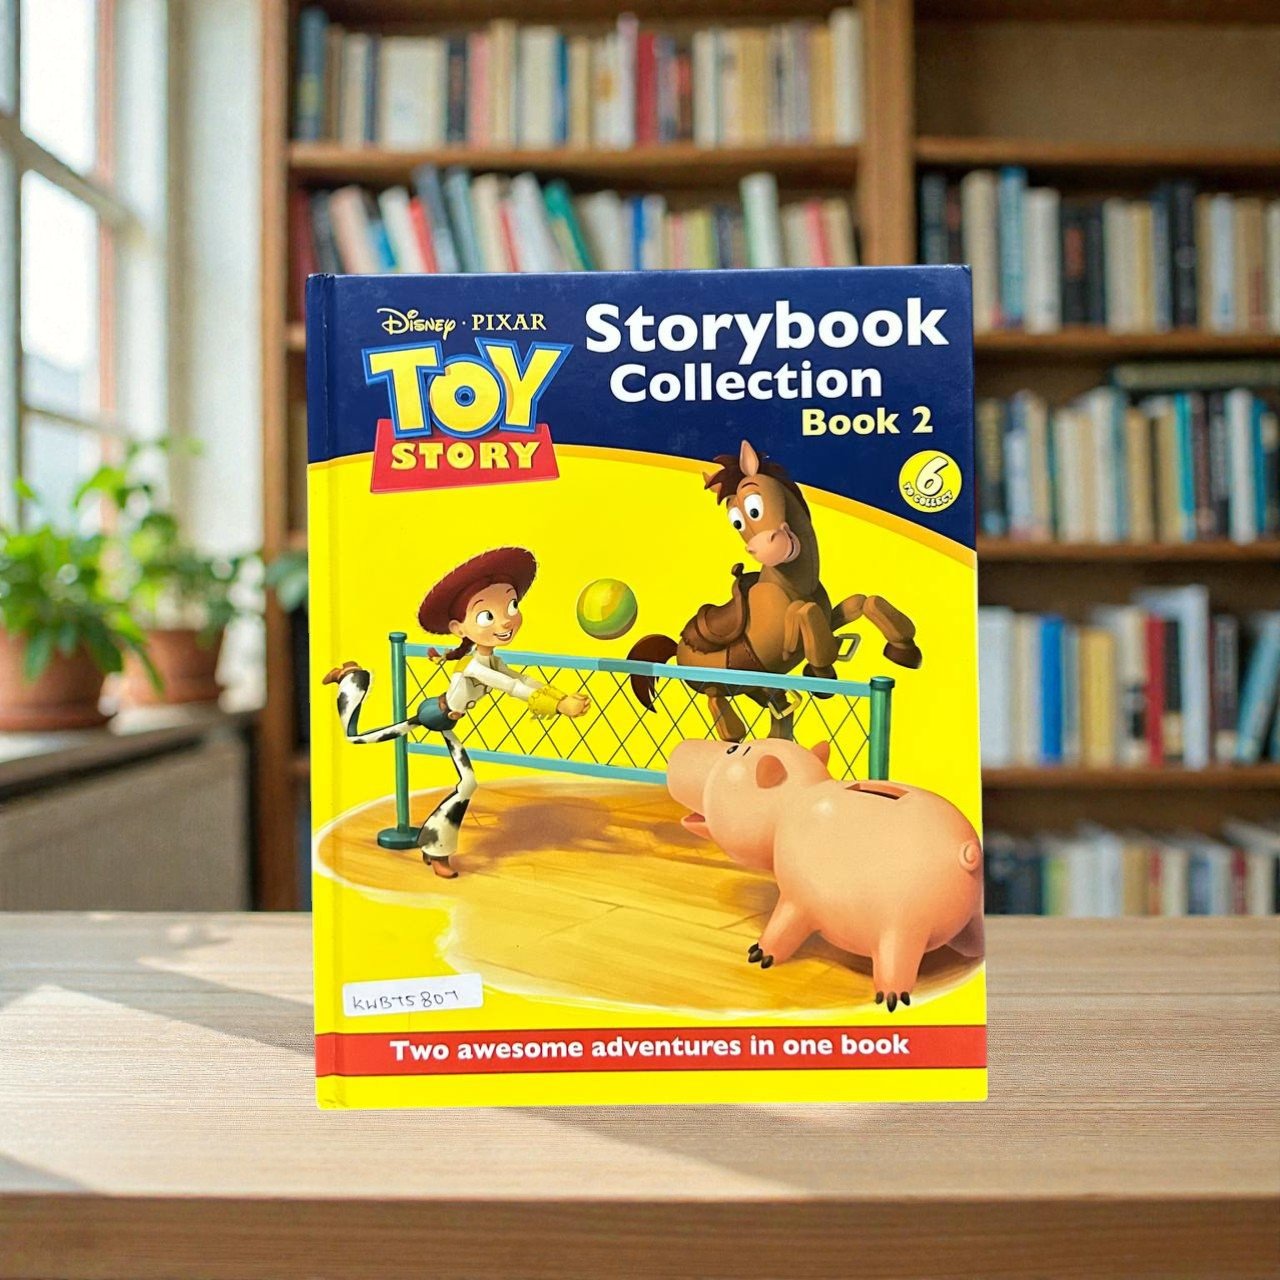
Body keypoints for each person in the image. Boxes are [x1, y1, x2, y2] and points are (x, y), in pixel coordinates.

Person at [322, 546, 590, 878]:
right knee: (362, 740)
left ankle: (433, 847)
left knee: (466, 782)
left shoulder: (490, 659)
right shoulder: (475, 668)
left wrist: (560, 696)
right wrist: (559, 705)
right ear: (459, 627)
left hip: (448, 719)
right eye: (487, 616)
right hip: (436, 716)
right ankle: (351, 678)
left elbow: (522, 679)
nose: (506, 620)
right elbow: (511, 687)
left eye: (511, 606)